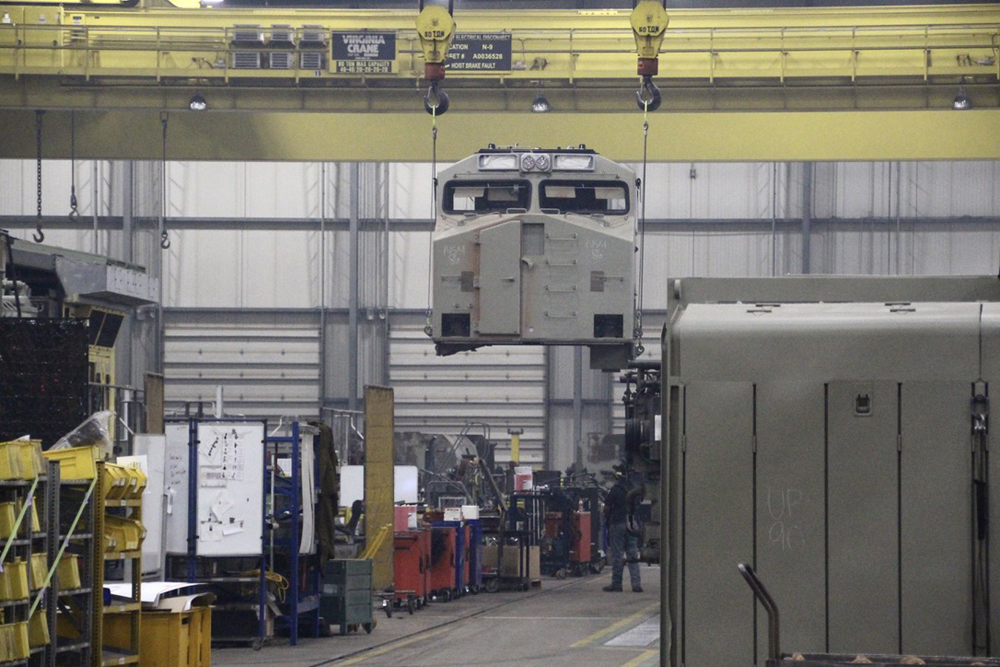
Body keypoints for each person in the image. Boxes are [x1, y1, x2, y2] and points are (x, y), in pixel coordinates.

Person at [603, 471, 642, 593]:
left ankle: (617, 584)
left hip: (618, 524)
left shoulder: (615, 490)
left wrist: (608, 520)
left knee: (618, 555)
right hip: (632, 524)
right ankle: (636, 585)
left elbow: (607, 508)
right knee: (633, 555)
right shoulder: (634, 490)